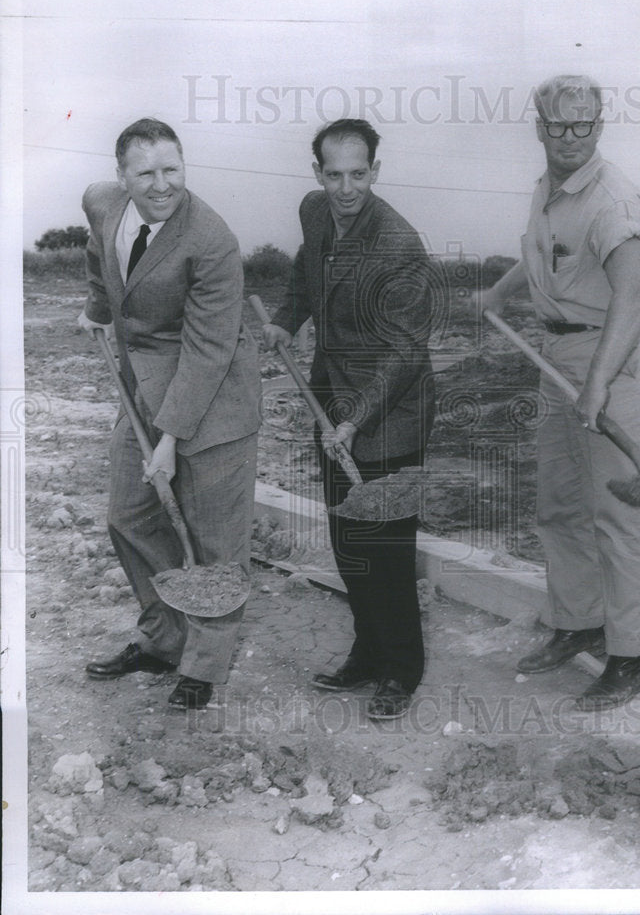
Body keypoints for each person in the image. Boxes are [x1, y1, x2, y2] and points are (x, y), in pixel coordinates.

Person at [474, 75, 640, 711]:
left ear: (601, 125)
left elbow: (632, 298)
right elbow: (543, 254)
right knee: (559, 505)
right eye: (558, 125)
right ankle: (578, 621)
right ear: (539, 127)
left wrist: (600, 383)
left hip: (613, 358)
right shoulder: (551, 190)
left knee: (620, 513)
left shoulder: (614, 202)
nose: (571, 137)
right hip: (557, 356)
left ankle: (634, 655)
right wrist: (499, 295)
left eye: (583, 125)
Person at [78, 118, 262, 710]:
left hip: (214, 401)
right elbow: (98, 259)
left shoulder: (210, 238)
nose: (161, 185)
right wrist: (97, 308)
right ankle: (165, 640)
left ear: (184, 165)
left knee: (214, 543)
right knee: (128, 515)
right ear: (122, 176)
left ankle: (204, 668)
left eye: (172, 170)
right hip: (144, 387)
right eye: (146, 173)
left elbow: (209, 350)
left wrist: (168, 439)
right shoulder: (104, 205)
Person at [258, 119, 436, 721]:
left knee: (386, 545)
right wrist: (288, 318)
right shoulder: (314, 212)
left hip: (391, 412)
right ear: (318, 175)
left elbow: (405, 352)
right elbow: (307, 269)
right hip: (331, 400)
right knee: (348, 540)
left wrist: (357, 419)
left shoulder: (400, 247)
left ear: (375, 172)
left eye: (358, 174)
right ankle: (367, 652)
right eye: (334, 175)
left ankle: (402, 670)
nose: (346, 188)